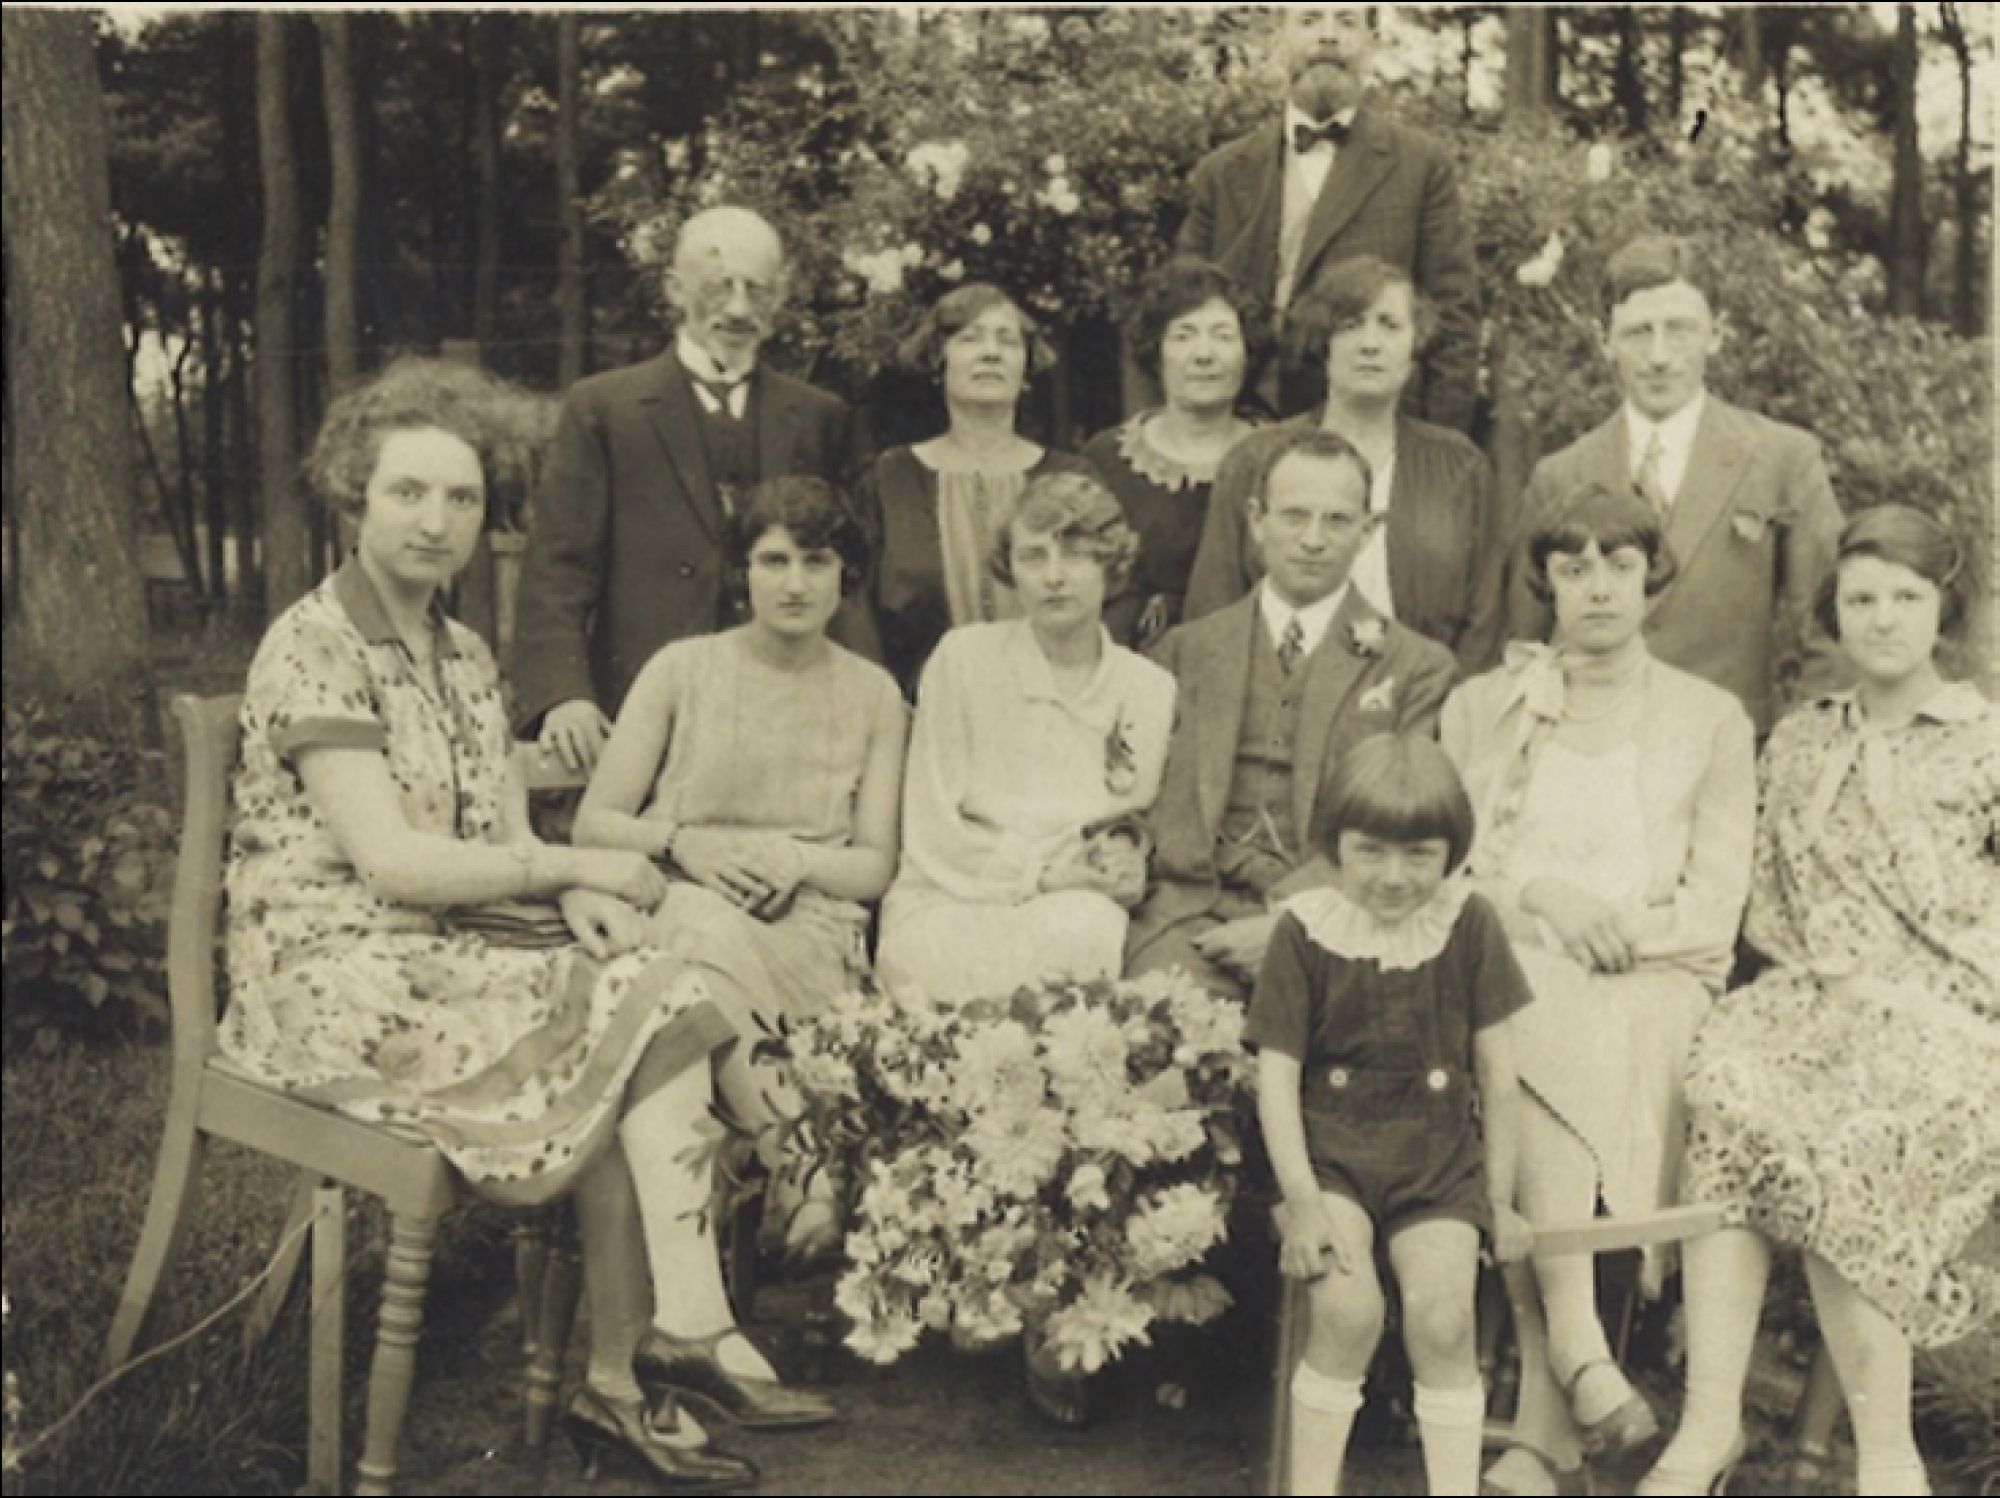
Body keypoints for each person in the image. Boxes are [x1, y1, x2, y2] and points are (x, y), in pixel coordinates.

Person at [218, 359, 834, 1495]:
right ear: (353, 495)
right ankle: (658, 1346)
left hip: (443, 952)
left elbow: (501, 835)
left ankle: (641, 1358)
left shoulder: (461, 653)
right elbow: (396, 862)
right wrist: (577, 863)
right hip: (327, 976)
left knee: (653, 976)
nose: (436, 520)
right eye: (408, 492)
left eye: (460, 498)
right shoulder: (313, 644)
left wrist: (585, 901)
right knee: (637, 1015)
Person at [1639, 506, 1998, 1498]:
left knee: (1846, 1136)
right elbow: (1768, 903)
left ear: (1943, 609)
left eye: (1906, 598)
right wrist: (1821, 980)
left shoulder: (1987, 745)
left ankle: (1887, 1458)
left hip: (1950, 1026)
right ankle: (1709, 1421)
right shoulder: (1799, 741)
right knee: (1727, 1089)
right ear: (1834, 614)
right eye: (1861, 599)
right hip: (1810, 1006)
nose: (1882, 618)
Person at [1439, 482, 1756, 1498]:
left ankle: (1557, 1407)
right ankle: (1577, 1357)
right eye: (1571, 567)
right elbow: (1442, 871)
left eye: (1619, 565)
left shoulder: (1710, 719)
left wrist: (1605, 936)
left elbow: (1712, 910)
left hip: (1651, 988)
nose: (1598, 587)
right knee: (1529, 993)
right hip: (1502, 970)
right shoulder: (1483, 706)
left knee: (1543, 1007)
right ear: (1544, 581)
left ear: (1651, 577)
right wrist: (1542, 898)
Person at [574, 475, 907, 1260]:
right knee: (696, 929)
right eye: (774, 561)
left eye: (817, 563)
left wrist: (798, 858)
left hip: (810, 929)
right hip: (682, 902)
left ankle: (790, 1166)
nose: (795, 584)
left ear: (846, 574)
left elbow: (874, 867)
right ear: (742, 571)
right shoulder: (681, 670)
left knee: (703, 951)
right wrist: (684, 843)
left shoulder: (873, 694)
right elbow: (596, 822)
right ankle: (801, 1163)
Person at [1252, 733, 1535, 1496]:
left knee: (1443, 1318)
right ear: (1335, 844)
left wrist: (1499, 1199)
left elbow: (1498, 1078)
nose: (1394, 876)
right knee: (1347, 1313)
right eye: (1370, 851)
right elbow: (1276, 1078)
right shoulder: (1304, 931)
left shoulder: (1469, 925)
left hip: (1437, 1163)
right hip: (1330, 1159)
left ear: (1451, 853)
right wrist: (1302, 1200)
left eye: (1420, 855)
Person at [511, 204, 863, 775]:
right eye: (719, 287)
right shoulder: (606, 409)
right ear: (676, 289)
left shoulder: (819, 417)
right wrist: (563, 695)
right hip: (643, 710)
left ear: (780, 297)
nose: (739, 309)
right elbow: (558, 566)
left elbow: (844, 578)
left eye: (757, 290)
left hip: (787, 713)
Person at [1125, 425, 1458, 1005]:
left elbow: (1400, 829)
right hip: (1189, 916)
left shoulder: (1415, 668)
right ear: (1257, 521)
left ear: (1367, 532)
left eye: (1337, 521)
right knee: (1157, 1037)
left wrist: (1297, 920)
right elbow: (1132, 798)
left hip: (1339, 917)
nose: (1313, 539)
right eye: (1294, 516)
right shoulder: (1184, 652)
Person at [1500, 232, 1846, 738]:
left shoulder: (1781, 458)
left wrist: (1803, 750)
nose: (1659, 356)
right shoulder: (1561, 475)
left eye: (1680, 330)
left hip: (1729, 753)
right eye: (1638, 333)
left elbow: (1831, 630)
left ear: (1716, 335)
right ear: (1605, 340)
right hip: (1591, 751)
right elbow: (1525, 649)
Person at [877, 470, 1177, 1007]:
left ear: (1111, 565)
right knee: (932, 957)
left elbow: (1132, 821)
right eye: (1034, 557)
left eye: (1077, 555)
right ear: (1010, 568)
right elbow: (931, 827)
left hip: (1074, 904)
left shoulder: (1149, 688)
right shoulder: (962, 659)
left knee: (1084, 935)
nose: (1054, 577)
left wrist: (1126, 861)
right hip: (952, 894)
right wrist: (1038, 874)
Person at [1182, 254, 1504, 674]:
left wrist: (1448, 703)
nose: (1370, 344)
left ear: (1414, 347)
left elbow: (1486, 620)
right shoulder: (1255, 460)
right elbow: (1213, 607)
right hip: (1278, 699)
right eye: (1350, 325)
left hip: (1423, 699)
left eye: (1389, 325)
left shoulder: (1459, 468)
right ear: (1323, 344)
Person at [1177, 5, 1480, 429]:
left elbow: (1454, 318)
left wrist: (1438, 445)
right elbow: (1183, 307)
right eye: (1310, 19)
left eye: (1346, 21)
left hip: (1374, 426)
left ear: (1371, 43)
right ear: (1278, 39)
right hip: (1242, 425)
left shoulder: (1421, 165)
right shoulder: (1223, 172)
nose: (1328, 36)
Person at [858, 282, 1096, 696]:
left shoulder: (1070, 478)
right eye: (970, 338)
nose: (991, 353)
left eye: (1008, 341)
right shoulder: (891, 479)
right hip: (921, 710)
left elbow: (1107, 597)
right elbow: (856, 610)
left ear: (1026, 366)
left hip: (1054, 707)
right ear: (939, 358)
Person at [1082, 257, 1268, 651]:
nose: (1204, 354)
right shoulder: (1106, 460)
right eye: (1184, 336)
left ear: (1246, 351)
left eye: (1223, 336)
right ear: (1157, 351)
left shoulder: (1280, 456)